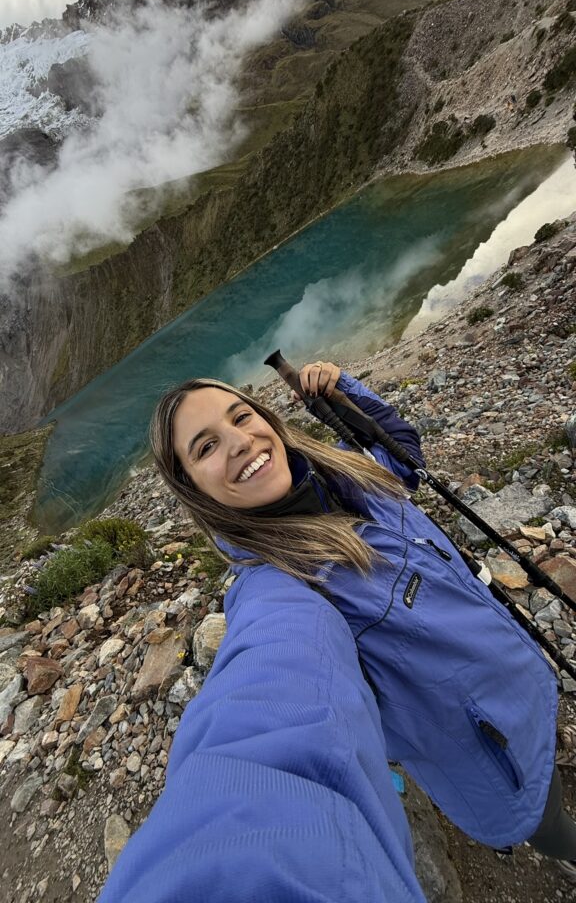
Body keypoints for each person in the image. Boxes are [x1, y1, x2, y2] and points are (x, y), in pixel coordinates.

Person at [99, 362, 576, 901]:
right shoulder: (279, 588)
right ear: (192, 487)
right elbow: (272, 698)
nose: (238, 441)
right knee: (553, 824)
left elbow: (402, 454)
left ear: (269, 421)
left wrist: (342, 390)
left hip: (525, 682)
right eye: (206, 447)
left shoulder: (345, 478)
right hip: (494, 757)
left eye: (241, 416)